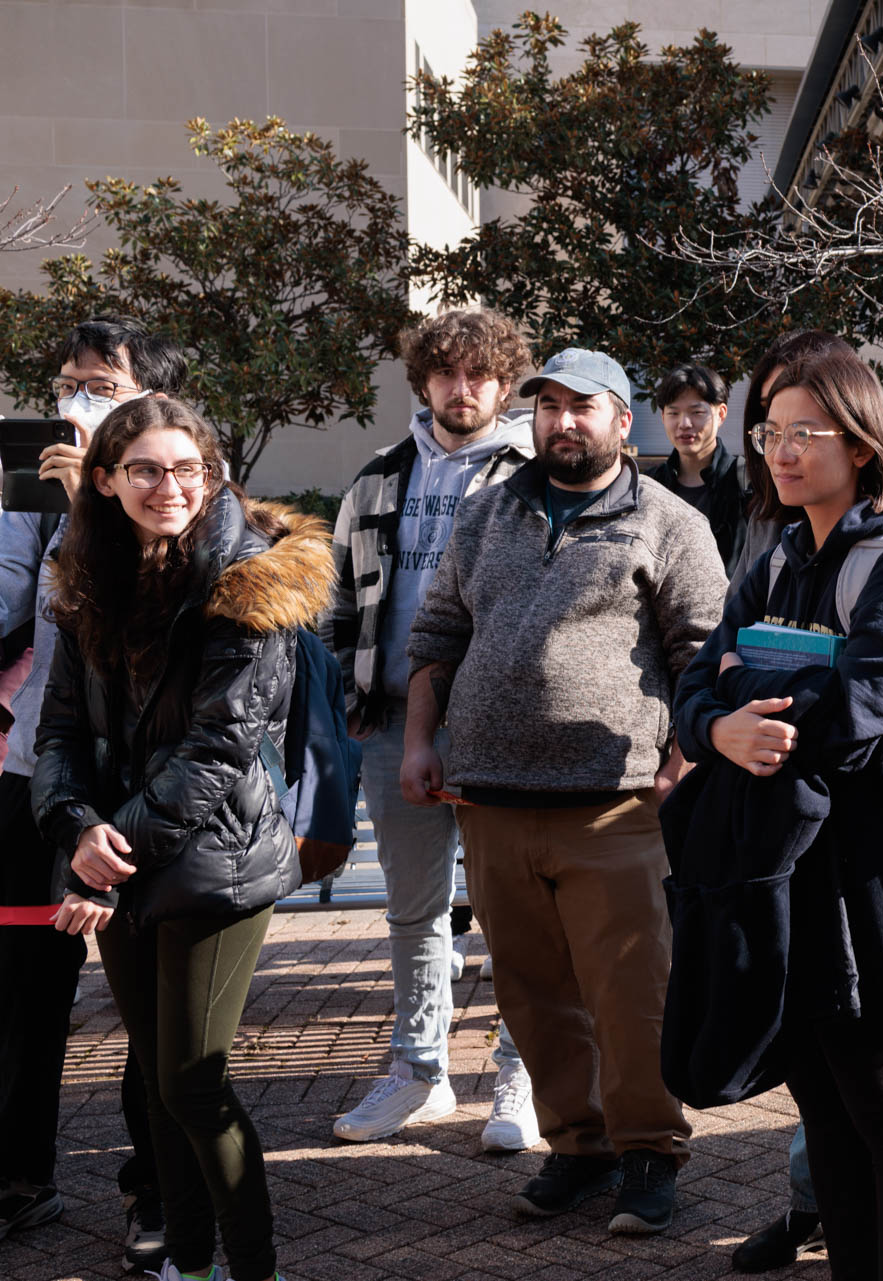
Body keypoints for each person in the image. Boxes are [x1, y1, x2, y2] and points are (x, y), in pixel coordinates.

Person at [673, 348, 883, 1281]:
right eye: (771, 432)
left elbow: (878, 695)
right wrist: (720, 727)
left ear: (860, 443)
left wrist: (752, 693)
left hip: (866, 874)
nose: (781, 450)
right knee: (822, 1100)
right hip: (783, 868)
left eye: (804, 432)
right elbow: (696, 681)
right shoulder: (776, 559)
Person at [400, 347, 725, 1233]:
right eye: (548, 406)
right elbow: (438, 634)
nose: (563, 421)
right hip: (490, 802)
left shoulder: (669, 522)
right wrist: (422, 741)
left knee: (630, 995)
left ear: (622, 419)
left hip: (615, 802)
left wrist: (678, 772)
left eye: (583, 406)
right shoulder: (486, 513)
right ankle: (579, 1147)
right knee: (531, 993)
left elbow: (704, 657)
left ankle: (649, 1149)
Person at [33, 397, 331, 1281]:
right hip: (119, 856)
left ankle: (256, 1268)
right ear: (105, 480)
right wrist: (75, 827)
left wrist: (102, 859)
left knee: (194, 1080)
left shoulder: (249, 582)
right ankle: (189, 1264)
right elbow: (58, 733)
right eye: (146, 470)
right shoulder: (87, 577)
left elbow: (217, 752)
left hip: (216, 857)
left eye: (188, 469)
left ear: (212, 475)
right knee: (160, 1086)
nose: (170, 487)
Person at [326, 307, 539, 1150]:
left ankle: (522, 1072)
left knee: (515, 910)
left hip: (501, 724)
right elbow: (341, 604)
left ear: (505, 382)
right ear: (424, 380)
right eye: (447, 372)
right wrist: (353, 700)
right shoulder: (379, 478)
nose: (463, 388)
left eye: (480, 374)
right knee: (414, 910)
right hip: (391, 722)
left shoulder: (533, 475)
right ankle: (420, 1069)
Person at [0, 316, 182, 1267]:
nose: (77, 401)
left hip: (151, 789)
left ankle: (157, 1188)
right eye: (68, 383)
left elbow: (152, 617)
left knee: (154, 997)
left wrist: (93, 506)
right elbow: (15, 607)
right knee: (21, 986)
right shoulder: (34, 494)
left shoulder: (181, 489)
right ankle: (17, 1177)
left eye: (101, 387)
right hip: (41, 771)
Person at [646, 362, 750, 575]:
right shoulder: (649, 486)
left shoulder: (746, 481)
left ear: (721, 414)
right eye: (673, 413)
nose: (684, 423)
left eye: (696, 412)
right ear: (663, 416)